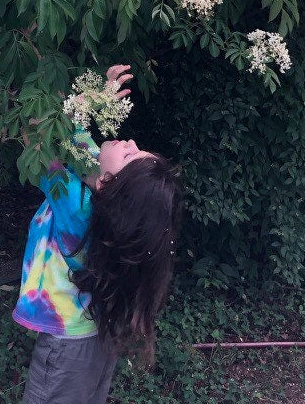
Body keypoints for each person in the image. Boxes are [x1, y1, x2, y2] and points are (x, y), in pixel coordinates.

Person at [14, 64, 182, 404]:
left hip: (68, 345)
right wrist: (98, 97)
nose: (131, 142)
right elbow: (82, 146)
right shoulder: (105, 201)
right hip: (96, 331)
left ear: (109, 184)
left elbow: (37, 145)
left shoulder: (78, 209)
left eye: (131, 154)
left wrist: (15, 106)